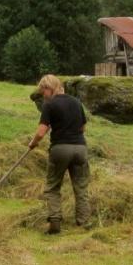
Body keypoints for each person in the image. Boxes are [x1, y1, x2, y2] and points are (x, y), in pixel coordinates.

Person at [27, 74, 90, 235]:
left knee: (53, 187)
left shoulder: (49, 105)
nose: (43, 95)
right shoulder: (76, 102)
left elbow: (41, 132)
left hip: (60, 149)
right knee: (81, 186)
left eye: (43, 91)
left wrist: (33, 143)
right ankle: (83, 222)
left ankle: (55, 221)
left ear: (49, 88)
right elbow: (83, 128)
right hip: (80, 149)